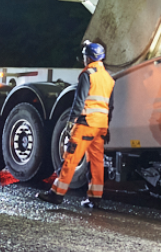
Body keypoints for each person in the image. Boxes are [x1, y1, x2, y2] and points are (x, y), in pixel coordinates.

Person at [37, 40, 115, 208]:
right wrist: (106, 127)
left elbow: (79, 102)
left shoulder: (88, 75)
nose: (84, 60)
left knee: (70, 157)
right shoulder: (109, 78)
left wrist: (71, 122)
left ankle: (56, 194)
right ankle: (95, 198)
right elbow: (110, 105)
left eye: (85, 56)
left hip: (86, 123)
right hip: (101, 125)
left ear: (90, 58)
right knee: (96, 161)